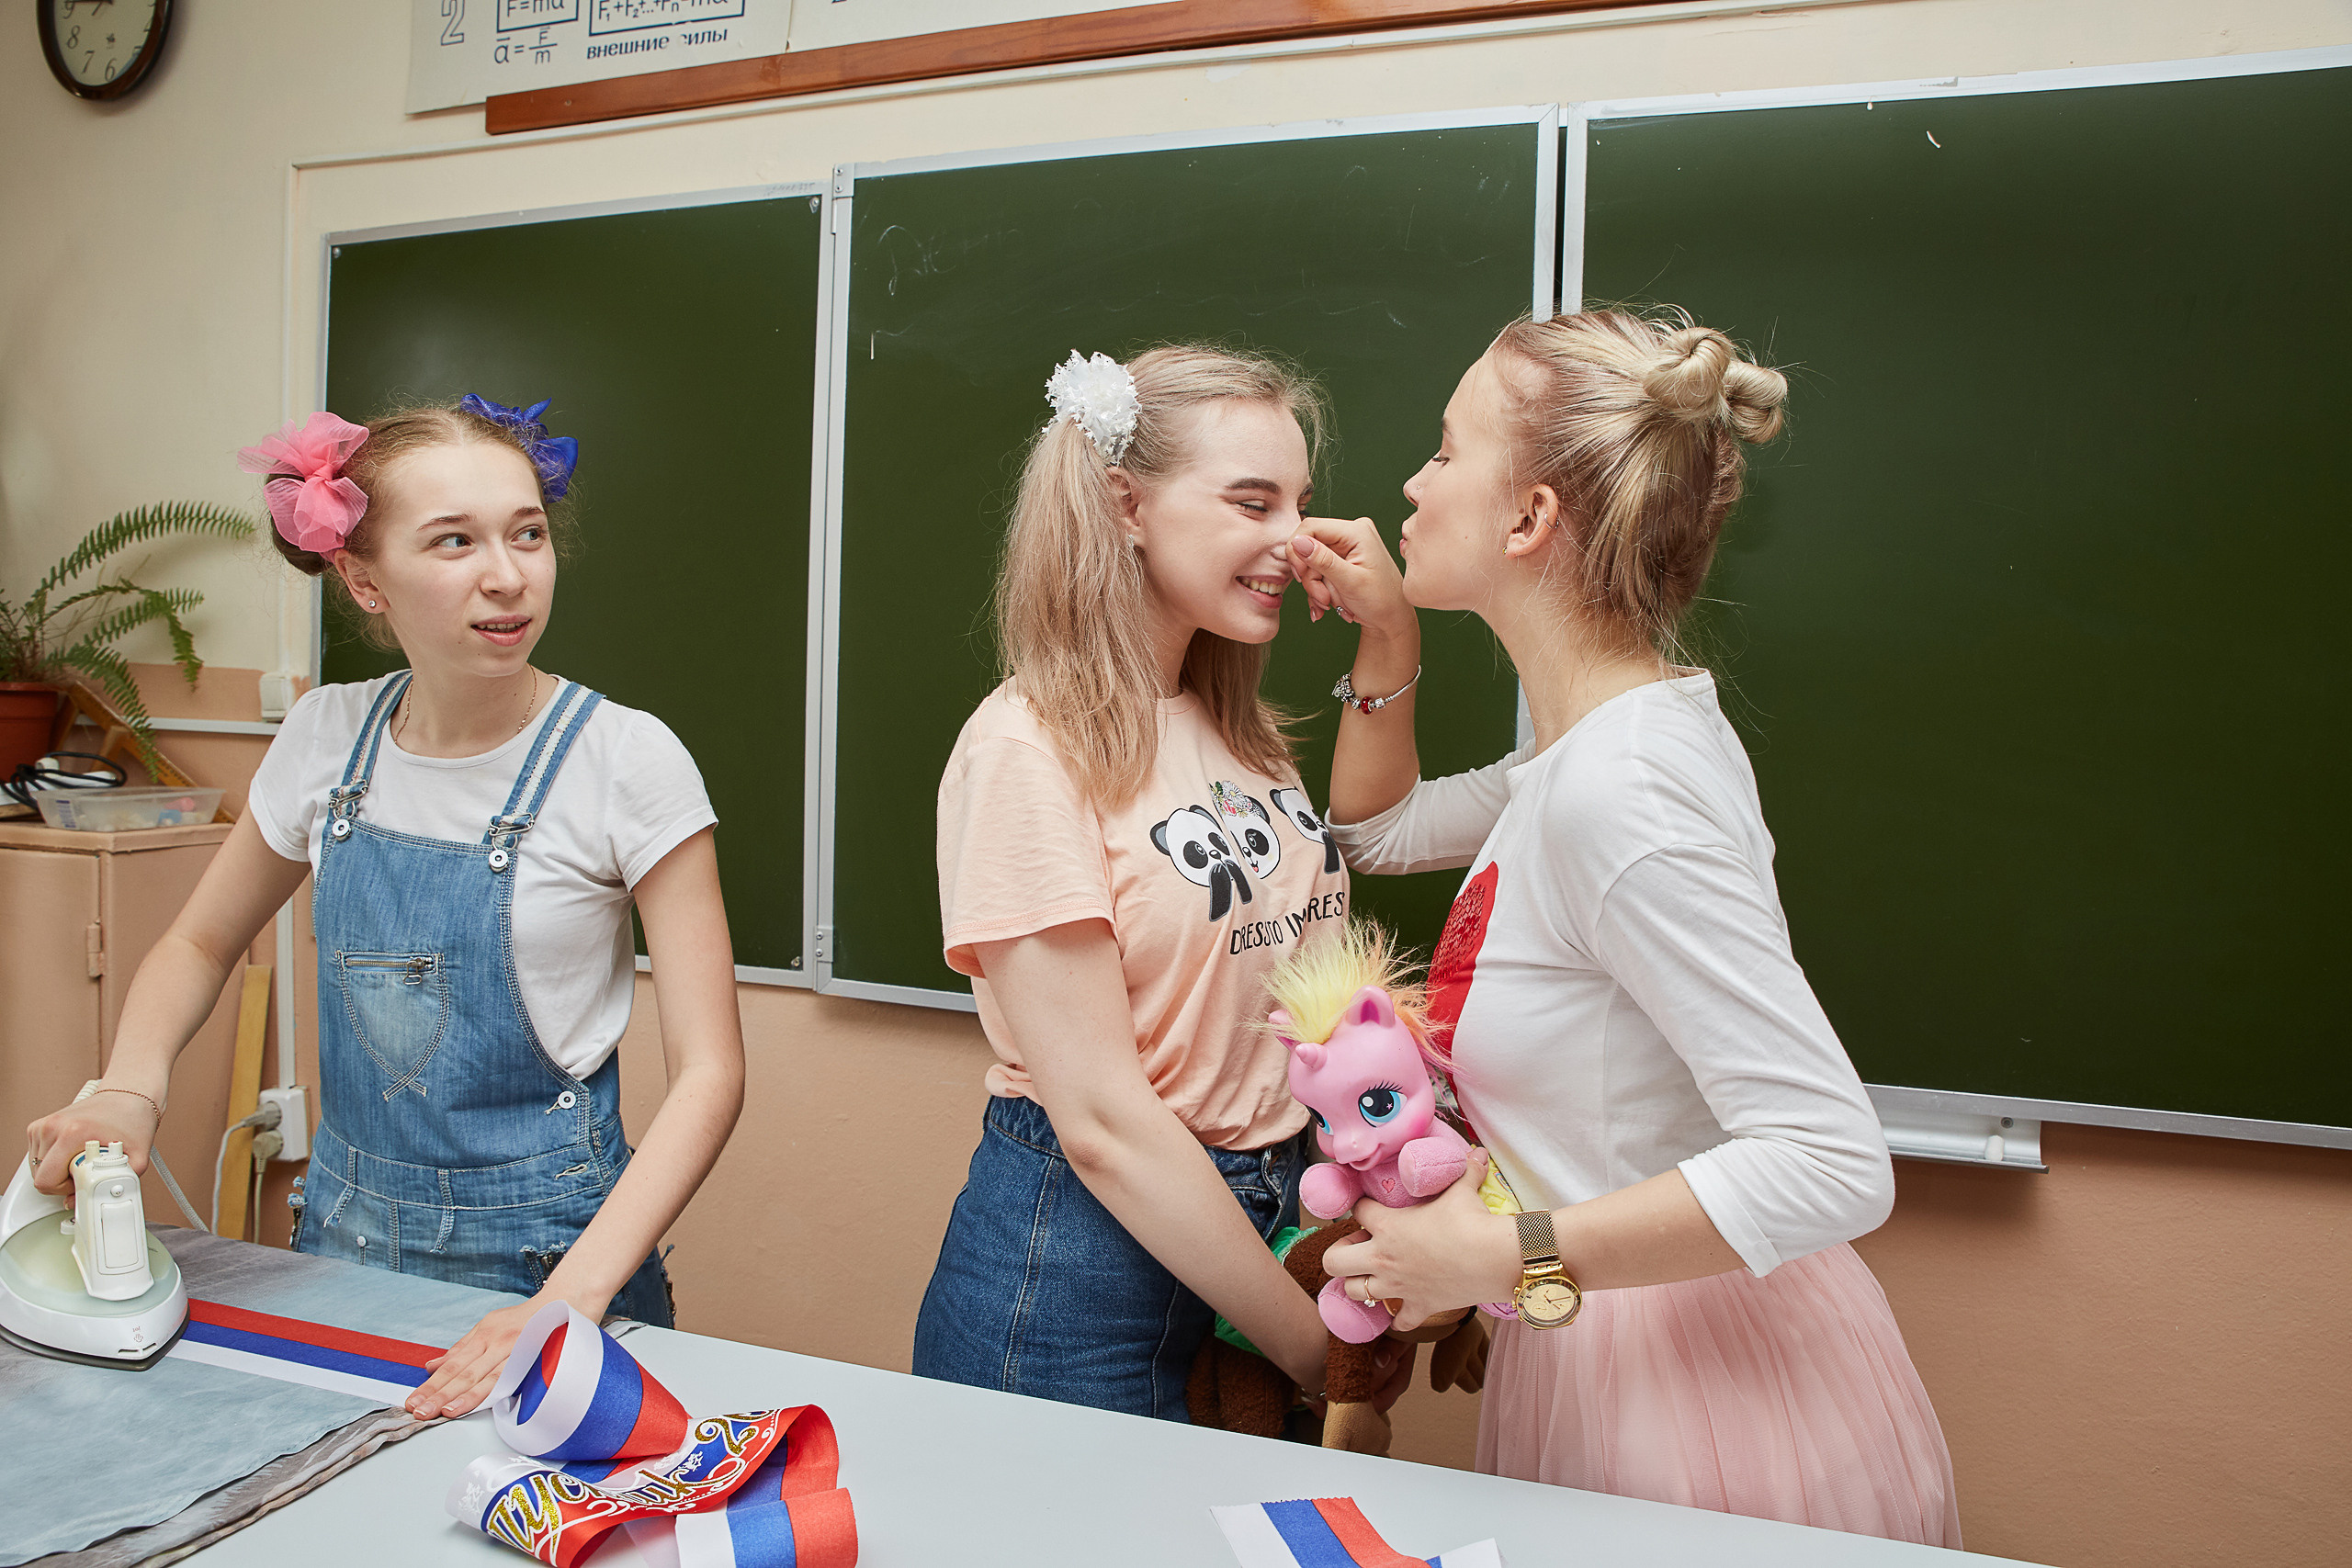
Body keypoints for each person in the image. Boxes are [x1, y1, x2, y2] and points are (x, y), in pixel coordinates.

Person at [1288, 311, 1962, 1545]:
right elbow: (1377, 829)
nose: (1411, 483)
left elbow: (1831, 1157)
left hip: (1706, 1401)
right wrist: (1389, 634)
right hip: (1610, 1336)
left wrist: (1498, 1253)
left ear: (1529, 517)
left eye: (1445, 451)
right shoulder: (1585, 744)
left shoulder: (1622, 787)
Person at [23, 399, 745, 1421]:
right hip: (343, 1243)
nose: (508, 574)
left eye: (526, 532)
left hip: (555, 1265)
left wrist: (560, 1308)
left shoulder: (627, 759)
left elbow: (712, 1074)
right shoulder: (326, 735)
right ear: (363, 578)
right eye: (454, 541)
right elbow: (197, 941)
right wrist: (129, 1091)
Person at [915, 347, 1397, 1421]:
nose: (1294, 540)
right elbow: (1100, 1119)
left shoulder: (1243, 729)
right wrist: (1310, 1349)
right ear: (1126, 506)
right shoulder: (1025, 747)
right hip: (1080, 1263)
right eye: (1250, 501)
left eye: (1299, 504)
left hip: (1258, 1228)